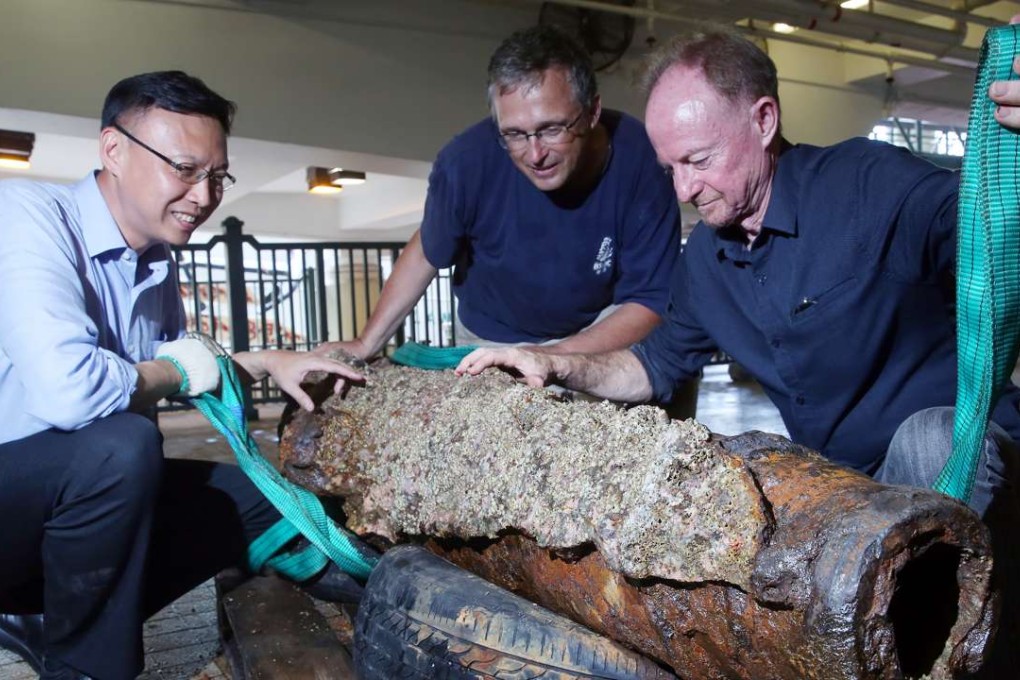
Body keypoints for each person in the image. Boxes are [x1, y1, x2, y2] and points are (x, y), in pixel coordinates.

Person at [456, 26, 1020, 673]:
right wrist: (552, 360)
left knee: (929, 438)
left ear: (763, 120)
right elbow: (654, 365)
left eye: (698, 160)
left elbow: (997, 230)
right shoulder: (707, 262)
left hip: (965, 464)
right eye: (669, 169)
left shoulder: (869, 184)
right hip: (852, 493)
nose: (683, 191)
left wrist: (1014, 163)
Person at [0, 71, 365, 680]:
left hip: (62, 510)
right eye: (185, 169)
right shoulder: (27, 216)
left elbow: (169, 379)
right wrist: (180, 369)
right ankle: (84, 667)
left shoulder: (155, 264)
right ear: (113, 150)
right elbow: (74, 393)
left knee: (258, 505)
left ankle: (43, 619)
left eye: (217, 176)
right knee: (121, 448)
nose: (204, 194)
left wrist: (265, 362)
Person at [320, 25, 680, 363]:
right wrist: (367, 342)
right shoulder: (464, 162)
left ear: (591, 113)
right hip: (492, 335)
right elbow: (427, 251)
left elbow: (649, 299)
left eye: (551, 129)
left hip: (601, 325)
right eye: (515, 134)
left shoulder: (644, 161)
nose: (535, 154)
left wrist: (555, 359)